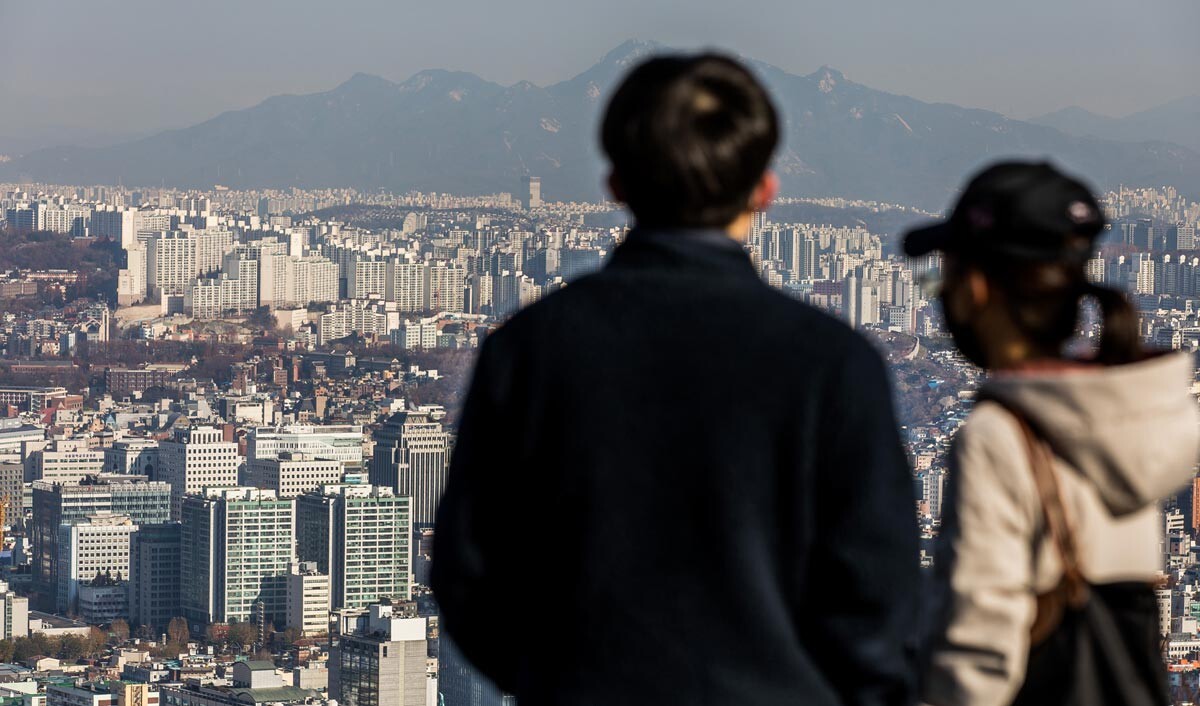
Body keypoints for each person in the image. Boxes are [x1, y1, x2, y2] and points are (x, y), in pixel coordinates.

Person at [433, 53, 920, 705]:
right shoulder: (830, 362)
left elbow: (470, 572)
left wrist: (555, 679)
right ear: (765, 188)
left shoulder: (531, 348)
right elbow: (878, 593)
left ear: (616, 185)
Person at [910, 161, 1200, 705]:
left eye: (941, 278)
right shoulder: (1124, 412)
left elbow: (978, 660)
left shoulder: (1003, 435)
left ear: (976, 287)